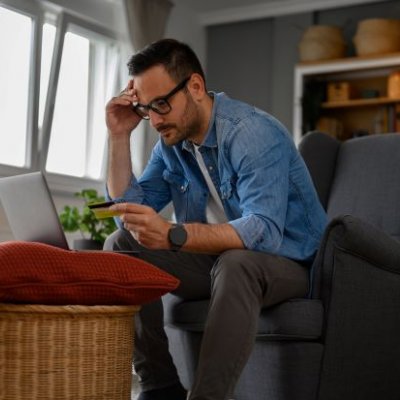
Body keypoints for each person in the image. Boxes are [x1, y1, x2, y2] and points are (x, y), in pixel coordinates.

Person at [104, 38, 327, 400]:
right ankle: (160, 387)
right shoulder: (171, 147)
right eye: (147, 110)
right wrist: (118, 136)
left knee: (238, 264)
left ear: (195, 86)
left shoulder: (251, 133)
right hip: (218, 263)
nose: (156, 120)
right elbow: (126, 217)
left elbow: (265, 232)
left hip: (290, 264)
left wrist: (175, 235)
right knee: (121, 246)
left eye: (162, 104)